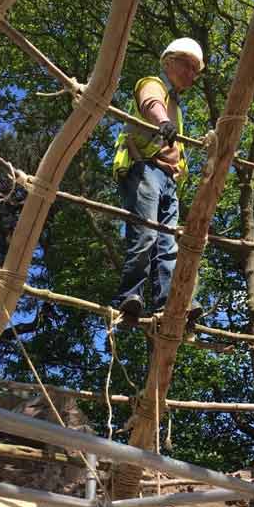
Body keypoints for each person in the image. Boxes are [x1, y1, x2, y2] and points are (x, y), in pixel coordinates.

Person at [112, 37, 204, 324]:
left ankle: (169, 303)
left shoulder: (176, 105)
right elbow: (151, 103)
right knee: (146, 234)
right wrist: (163, 122)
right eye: (186, 65)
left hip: (168, 179)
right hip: (145, 169)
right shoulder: (154, 84)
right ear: (169, 62)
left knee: (168, 245)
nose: (191, 73)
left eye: (194, 70)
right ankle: (130, 295)